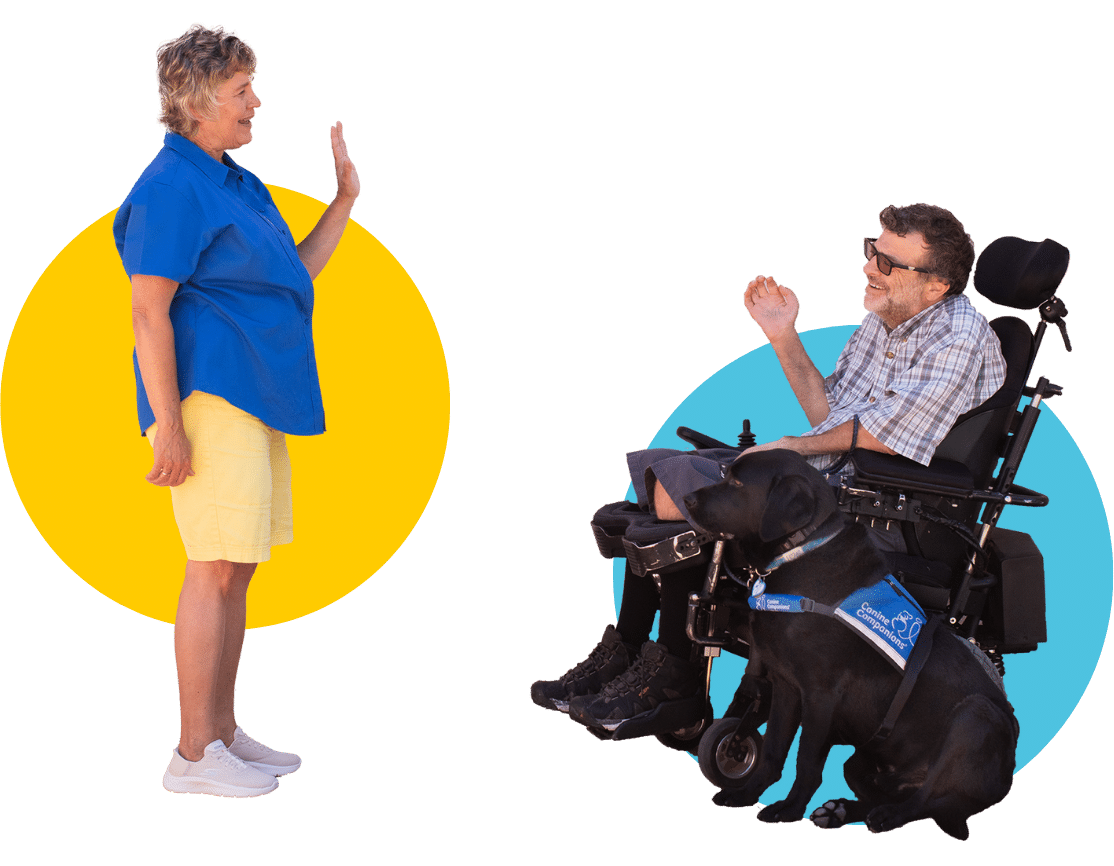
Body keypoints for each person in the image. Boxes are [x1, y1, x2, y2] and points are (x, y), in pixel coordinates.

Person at [530, 203, 1008, 733]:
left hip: (887, 511)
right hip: (834, 477)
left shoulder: (959, 339)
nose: (871, 267)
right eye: (872, 250)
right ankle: (631, 655)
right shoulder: (890, 317)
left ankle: (671, 681)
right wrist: (782, 335)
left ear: (936, 285)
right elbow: (831, 412)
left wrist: (789, 450)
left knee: (679, 500)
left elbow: (884, 440)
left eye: (890, 263)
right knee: (650, 489)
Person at [114, 23, 360, 798]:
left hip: (255, 395)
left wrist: (344, 201)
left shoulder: (233, 182)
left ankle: (221, 733)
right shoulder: (170, 187)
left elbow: (295, 278)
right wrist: (169, 425)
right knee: (213, 567)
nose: (256, 102)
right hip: (211, 397)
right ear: (194, 102)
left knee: (239, 567)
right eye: (241, 91)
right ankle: (192, 756)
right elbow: (148, 312)